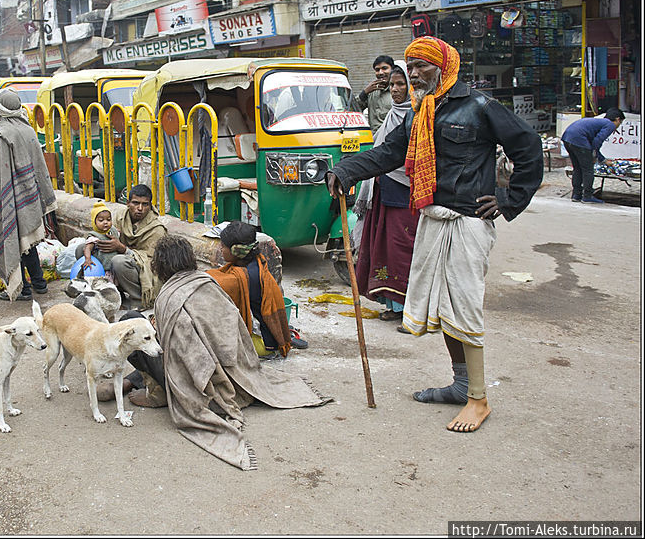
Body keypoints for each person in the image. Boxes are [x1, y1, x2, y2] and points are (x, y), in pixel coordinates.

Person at [326, 36, 543, 433]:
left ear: (444, 68)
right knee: (443, 308)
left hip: (467, 221)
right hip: (432, 217)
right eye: (409, 67)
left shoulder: (479, 106)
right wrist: (345, 171)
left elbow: (528, 145)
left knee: (463, 307)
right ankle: (461, 385)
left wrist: (508, 199)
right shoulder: (419, 113)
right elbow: (388, 153)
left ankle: (478, 399)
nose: (413, 74)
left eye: (421, 67)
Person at [151, 235, 332, 470]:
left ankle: (151, 391)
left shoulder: (169, 296)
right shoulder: (208, 283)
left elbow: (181, 355)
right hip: (238, 374)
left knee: (134, 331)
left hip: (205, 387)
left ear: (161, 265)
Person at [351, 62, 417, 324]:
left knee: (404, 250)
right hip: (384, 190)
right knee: (385, 250)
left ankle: (411, 309)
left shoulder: (418, 116)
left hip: (407, 193)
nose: (396, 90)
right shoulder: (392, 115)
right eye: (392, 85)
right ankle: (394, 305)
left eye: (401, 84)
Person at [0, 88, 57, 302]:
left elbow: (2, 175)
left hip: (14, 199)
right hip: (30, 197)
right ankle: (39, 283)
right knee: (28, 243)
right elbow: (39, 167)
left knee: (15, 241)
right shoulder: (28, 129)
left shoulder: (5, 134)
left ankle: (22, 289)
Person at [206, 221, 306, 357]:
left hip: (263, 343)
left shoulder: (242, 279)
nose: (220, 249)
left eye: (223, 246)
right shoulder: (257, 262)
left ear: (237, 251)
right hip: (269, 335)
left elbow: (214, 284)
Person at [93, 184, 167, 310]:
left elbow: (153, 261)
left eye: (145, 204)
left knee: (119, 261)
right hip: (118, 265)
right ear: (128, 203)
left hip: (143, 270)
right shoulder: (120, 217)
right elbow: (105, 235)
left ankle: (139, 300)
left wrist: (123, 249)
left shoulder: (157, 229)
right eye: (135, 203)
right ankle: (108, 292)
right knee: (84, 249)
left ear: (150, 206)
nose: (140, 208)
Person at [561, 108, 624, 204]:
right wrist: (595, 157)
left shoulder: (599, 122)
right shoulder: (610, 124)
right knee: (588, 169)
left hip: (567, 138)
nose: (618, 126)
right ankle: (587, 196)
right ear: (617, 119)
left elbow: (593, 144)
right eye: (620, 123)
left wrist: (600, 158)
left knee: (577, 168)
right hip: (579, 140)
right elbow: (597, 142)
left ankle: (576, 195)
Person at [76, 201, 120, 272]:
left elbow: (118, 234)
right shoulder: (94, 237)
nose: (105, 222)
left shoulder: (113, 230)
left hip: (116, 265)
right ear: (94, 222)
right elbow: (87, 248)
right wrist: (88, 259)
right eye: (101, 220)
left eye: (108, 220)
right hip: (104, 267)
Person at [355, 55, 395, 133]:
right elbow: (354, 109)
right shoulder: (371, 91)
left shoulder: (397, 91)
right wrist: (365, 92)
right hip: (374, 137)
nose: (380, 72)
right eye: (377, 70)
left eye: (384, 68)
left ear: (392, 69)